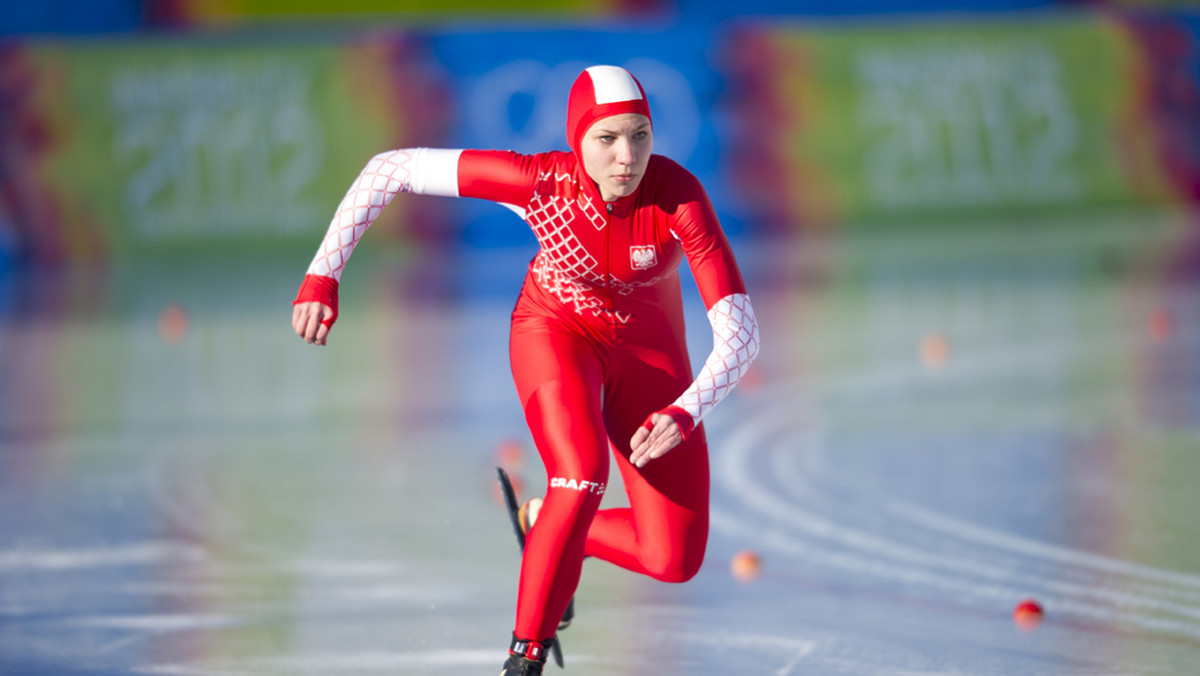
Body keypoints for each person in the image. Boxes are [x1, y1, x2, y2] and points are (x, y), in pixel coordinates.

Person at [291, 65, 760, 675]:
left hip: (651, 359)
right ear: (577, 140)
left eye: (640, 135)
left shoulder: (679, 196)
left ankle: (555, 528)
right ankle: (524, 655)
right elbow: (391, 169)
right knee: (580, 472)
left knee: (672, 559)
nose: (627, 156)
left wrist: (684, 410)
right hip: (556, 335)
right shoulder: (539, 183)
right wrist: (323, 274)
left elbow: (741, 335)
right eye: (607, 138)